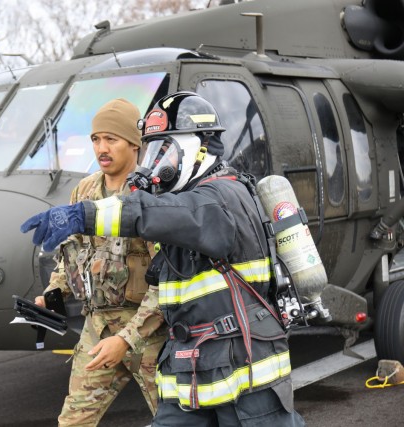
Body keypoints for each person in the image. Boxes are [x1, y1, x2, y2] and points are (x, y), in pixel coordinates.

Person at [21, 92, 306, 426]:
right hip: (193, 359)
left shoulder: (218, 197)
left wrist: (84, 214)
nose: (157, 162)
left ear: (200, 147)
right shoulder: (179, 197)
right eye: (155, 149)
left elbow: (167, 215)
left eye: (166, 150)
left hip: (243, 367)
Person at [31, 98, 167, 426]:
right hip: (98, 328)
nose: (101, 148)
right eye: (96, 139)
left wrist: (127, 339)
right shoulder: (85, 191)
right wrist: (54, 293)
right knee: (74, 420)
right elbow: (74, 254)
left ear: (134, 144)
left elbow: (169, 281)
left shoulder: (152, 196)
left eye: (111, 139)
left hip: (149, 335)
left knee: (176, 421)